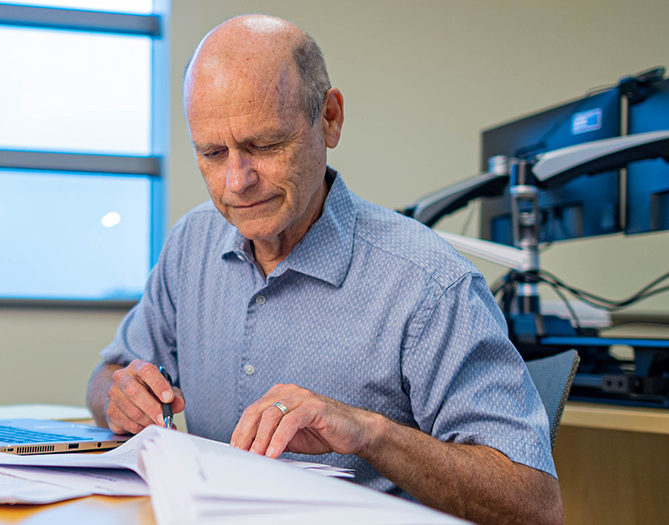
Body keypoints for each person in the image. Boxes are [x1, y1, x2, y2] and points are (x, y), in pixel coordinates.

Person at [86, 14, 562, 525]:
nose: (236, 181)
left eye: (265, 145)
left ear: (330, 120)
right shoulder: (192, 243)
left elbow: (534, 504)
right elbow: (107, 378)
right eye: (212, 153)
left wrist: (367, 433)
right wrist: (121, 397)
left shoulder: (429, 285)